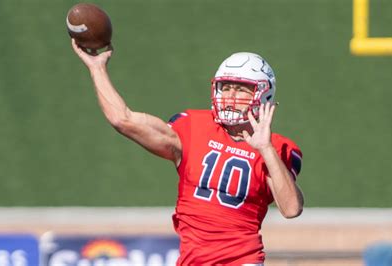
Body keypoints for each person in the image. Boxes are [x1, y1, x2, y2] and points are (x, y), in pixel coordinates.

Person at [71, 39, 304, 265]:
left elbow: (291, 208)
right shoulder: (193, 127)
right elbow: (123, 119)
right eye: (226, 87)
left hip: (242, 260)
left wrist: (266, 149)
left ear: (264, 95)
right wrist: (97, 68)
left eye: (241, 89)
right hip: (191, 260)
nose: (230, 97)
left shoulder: (277, 147)